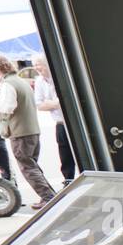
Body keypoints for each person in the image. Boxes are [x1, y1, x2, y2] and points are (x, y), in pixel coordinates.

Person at [0, 55, 56, 209]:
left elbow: (7, 107)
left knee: (27, 167)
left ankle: (48, 197)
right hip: (32, 130)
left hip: (20, 132)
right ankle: (50, 195)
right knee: (33, 165)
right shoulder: (21, 82)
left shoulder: (8, 84)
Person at [31, 55, 75, 184]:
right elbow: (39, 105)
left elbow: (66, 100)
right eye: (35, 65)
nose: (38, 67)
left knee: (80, 152)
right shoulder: (39, 81)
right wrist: (55, 103)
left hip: (72, 122)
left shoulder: (59, 76)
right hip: (60, 122)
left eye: (40, 64)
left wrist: (51, 103)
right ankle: (68, 180)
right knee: (65, 154)